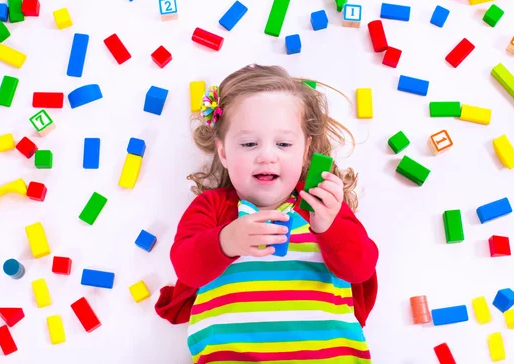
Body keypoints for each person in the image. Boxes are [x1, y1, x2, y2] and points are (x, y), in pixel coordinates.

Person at [155, 64, 379, 363]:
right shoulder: (213, 208)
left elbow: (361, 270)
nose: (266, 155)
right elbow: (187, 269)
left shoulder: (322, 206)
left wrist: (329, 227)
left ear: (305, 151)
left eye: (284, 144)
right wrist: (226, 242)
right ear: (223, 152)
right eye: (249, 144)